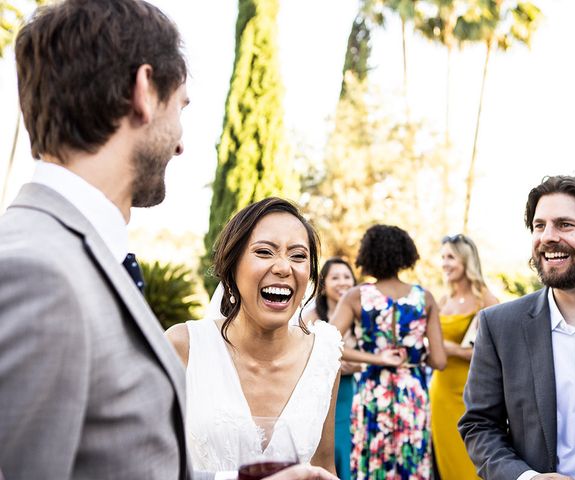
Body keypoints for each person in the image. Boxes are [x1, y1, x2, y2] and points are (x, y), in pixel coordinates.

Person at [0, 2, 338, 479]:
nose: (180, 142)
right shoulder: (35, 272)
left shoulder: (79, 257)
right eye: (180, 107)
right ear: (143, 92)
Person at [459, 173, 575, 480]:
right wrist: (526, 478)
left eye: (564, 224)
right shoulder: (499, 325)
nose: (547, 237)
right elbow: (479, 425)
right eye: (539, 226)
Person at [166, 197, 342, 475]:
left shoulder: (325, 356)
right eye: (264, 252)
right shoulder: (183, 347)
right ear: (232, 265)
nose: (284, 267)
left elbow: (323, 464)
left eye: (298, 256)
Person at [331, 224, 447, 479]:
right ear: (405, 255)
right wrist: (416, 356)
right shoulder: (424, 297)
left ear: (368, 255)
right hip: (413, 396)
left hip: (373, 393)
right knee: (412, 464)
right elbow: (439, 361)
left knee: (373, 465)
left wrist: (376, 358)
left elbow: (326, 345)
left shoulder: (356, 296)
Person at [430, 234, 498, 480]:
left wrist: (446, 347)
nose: (445, 263)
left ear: (466, 260)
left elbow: (489, 352)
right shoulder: (442, 300)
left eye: (451, 257)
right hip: (441, 393)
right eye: (443, 258)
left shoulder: (485, 299)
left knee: (471, 464)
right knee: (446, 463)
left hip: (471, 393)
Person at [303, 257, 360, 480]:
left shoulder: (360, 319)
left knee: (352, 447)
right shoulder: (311, 318)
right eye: (335, 277)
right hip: (325, 397)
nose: (342, 282)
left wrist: (356, 365)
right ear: (323, 285)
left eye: (347, 277)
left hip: (356, 394)